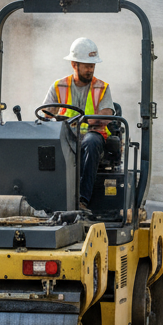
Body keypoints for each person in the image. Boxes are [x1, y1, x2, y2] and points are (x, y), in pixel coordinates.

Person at [40, 37, 114, 210]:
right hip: (65, 134)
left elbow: (107, 113)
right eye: (87, 66)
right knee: (45, 144)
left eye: (93, 66)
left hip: (93, 135)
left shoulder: (102, 87)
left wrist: (86, 120)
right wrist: (53, 118)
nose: (91, 70)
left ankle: (82, 200)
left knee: (91, 142)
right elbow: (45, 113)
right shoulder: (59, 86)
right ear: (74, 65)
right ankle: (46, 197)